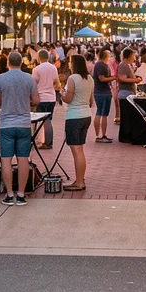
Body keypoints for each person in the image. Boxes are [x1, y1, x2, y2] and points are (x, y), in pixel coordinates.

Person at [0, 51, 39, 206]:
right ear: (21, 62)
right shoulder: (29, 78)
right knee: (23, 159)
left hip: (6, 123)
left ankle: (9, 193)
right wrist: (27, 103)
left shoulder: (0, 78)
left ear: (8, 63)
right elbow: (36, 100)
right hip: (24, 122)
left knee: (6, 159)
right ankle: (20, 194)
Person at [61, 53, 95, 190]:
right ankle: (81, 178)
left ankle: (79, 182)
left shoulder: (72, 78)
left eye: (70, 62)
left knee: (76, 151)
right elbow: (91, 102)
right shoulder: (90, 79)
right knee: (80, 150)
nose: (68, 64)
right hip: (86, 114)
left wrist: (61, 94)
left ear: (74, 64)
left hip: (74, 115)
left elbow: (68, 99)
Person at [32, 48, 59, 149]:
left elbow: (33, 83)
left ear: (39, 58)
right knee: (49, 119)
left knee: (43, 120)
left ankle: (47, 142)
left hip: (41, 97)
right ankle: (47, 141)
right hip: (51, 97)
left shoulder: (37, 69)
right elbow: (56, 82)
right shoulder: (53, 68)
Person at [91, 49, 114, 142]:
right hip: (103, 92)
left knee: (99, 112)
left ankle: (98, 134)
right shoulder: (101, 65)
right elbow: (102, 78)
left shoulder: (98, 64)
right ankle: (102, 135)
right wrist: (113, 78)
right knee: (103, 114)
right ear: (106, 56)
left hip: (98, 91)